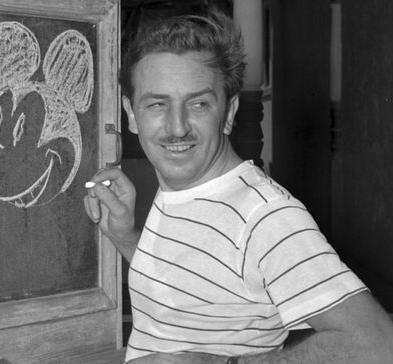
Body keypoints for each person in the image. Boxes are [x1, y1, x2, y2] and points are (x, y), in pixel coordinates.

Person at [83, 9, 393, 364]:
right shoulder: (183, 187)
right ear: (132, 115)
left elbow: (378, 345)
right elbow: (198, 293)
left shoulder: (267, 216)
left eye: (198, 103)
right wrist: (126, 237)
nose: (177, 127)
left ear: (229, 113)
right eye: (157, 104)